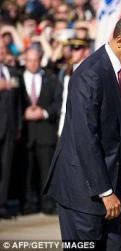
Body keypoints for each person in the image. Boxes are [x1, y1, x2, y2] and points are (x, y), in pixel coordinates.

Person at [43, 14, 121, 250]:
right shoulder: (90, 73)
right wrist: (105, 192)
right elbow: (86, 138)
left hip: (109, 186)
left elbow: (118, 132)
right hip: (82, 192)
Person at [20, 46, 62, 215]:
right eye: (29, 60)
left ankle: (48, 204)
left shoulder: (50, 79)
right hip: (25, 134)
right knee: (26, 171)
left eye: (36, 60)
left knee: (46, 171)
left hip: (46, 133)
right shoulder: (17, 78)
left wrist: (43, 113)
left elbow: (58, 103)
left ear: (40, 60)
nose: (32, 63)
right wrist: (23, 113)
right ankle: (27, 203)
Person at [0, 39, 21, 219]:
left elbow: (18, 104)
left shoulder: (12, 72)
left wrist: (18, 126)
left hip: (9, 128)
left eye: (3, 49)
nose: (1, 51)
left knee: (6, 168)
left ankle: (2, 204)